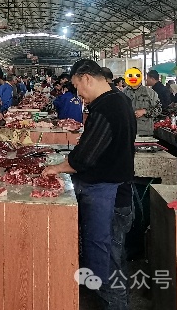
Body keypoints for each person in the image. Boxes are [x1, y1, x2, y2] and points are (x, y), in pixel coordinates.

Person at [42, 59, 135, 310]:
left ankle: (115, 305)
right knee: (112, 253)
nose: (78, 94)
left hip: (109, 192)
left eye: (77, 87)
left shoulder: (107, 107)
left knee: (108, 255)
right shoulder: (120, 100)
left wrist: (57, 168)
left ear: (86, 78)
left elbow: (85, 158)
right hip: (118, 187)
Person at [122, 67, 160, 136]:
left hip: (144, 132)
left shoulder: (150, 93)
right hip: (127, 131)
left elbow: (158, 109)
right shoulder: (123, 92)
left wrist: (145, 111)